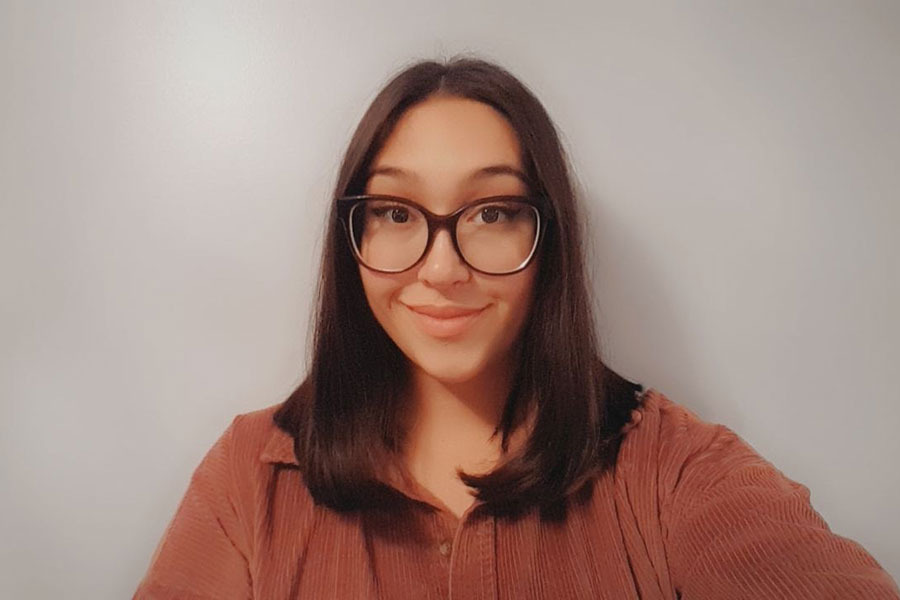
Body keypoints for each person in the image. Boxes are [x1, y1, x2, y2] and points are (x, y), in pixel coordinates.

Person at [133, 56, 899, 599]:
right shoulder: (250, 477)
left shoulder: (670, 472)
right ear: (353, 240)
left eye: (494, 212)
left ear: (549, 239)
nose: (441, 268)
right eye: (397, 213)